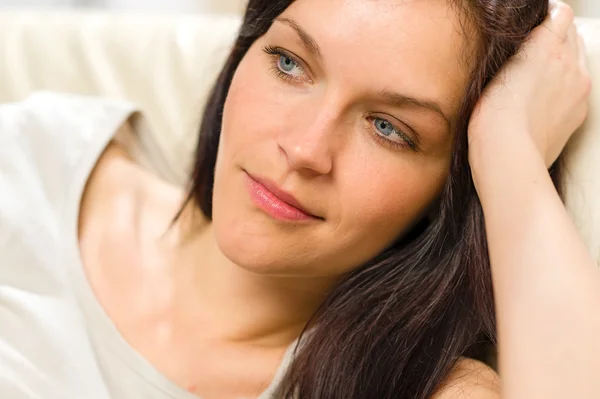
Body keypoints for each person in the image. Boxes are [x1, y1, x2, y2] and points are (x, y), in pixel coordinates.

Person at [0, 0, 597, 397]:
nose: (307, 149)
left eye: (388, 128)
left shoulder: (418, 387)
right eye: (289, 63)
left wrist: (509, 151)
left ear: (449, 188)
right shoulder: (33, 161)